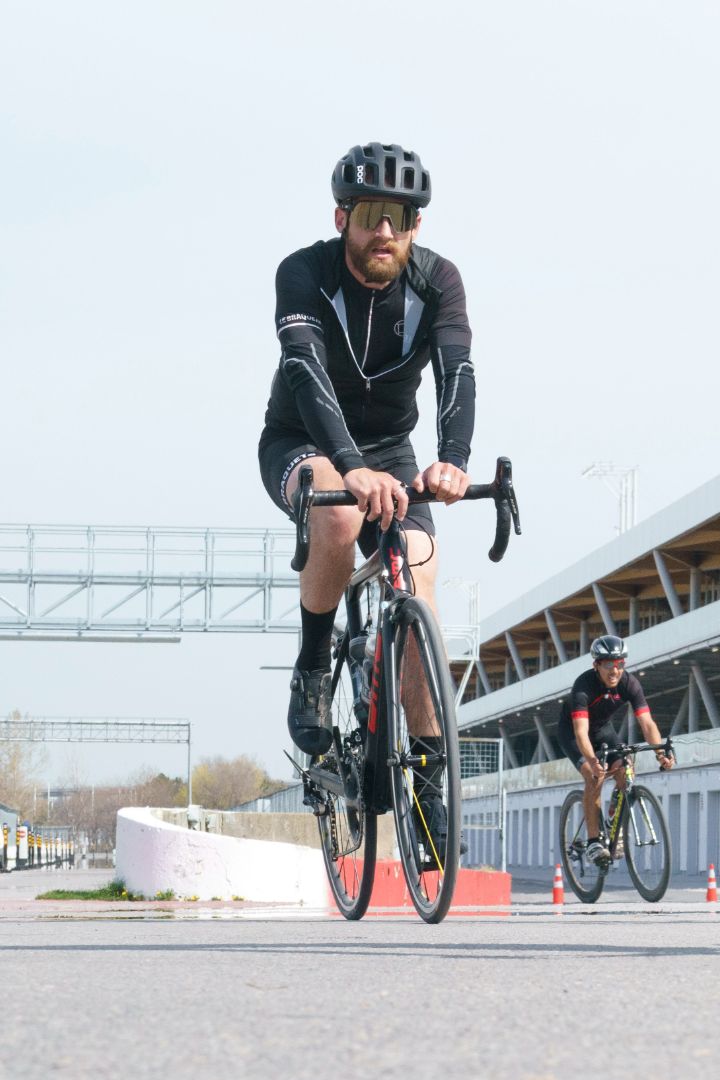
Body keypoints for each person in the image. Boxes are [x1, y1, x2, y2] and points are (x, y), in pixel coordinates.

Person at [261, 142, 475, 781]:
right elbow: (303, 368)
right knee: (338, 515)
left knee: (419, 574)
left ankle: (432, 780)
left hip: (391, 452)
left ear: (416, 225)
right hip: (305, 439)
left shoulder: (439, 281)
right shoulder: (303, 272)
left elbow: (456, 371)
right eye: (370, 214)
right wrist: (349, 466)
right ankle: (314, 663)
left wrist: (453, 461)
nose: (385, 230)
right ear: (341, 219)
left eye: (400, 216)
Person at [569, 636, 675, 866]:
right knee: (593, 775)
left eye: (620, 664)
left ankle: (612, 819)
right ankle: (593, 841)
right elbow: (580, 733)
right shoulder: (584, 686)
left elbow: (647, 723)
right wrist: (592, 761)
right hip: (574, 734)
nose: (615, 670)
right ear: (596, 664)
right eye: (608, 664)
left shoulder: (630, 684)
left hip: (603, 731)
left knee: (626, 768)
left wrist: (660, 754)